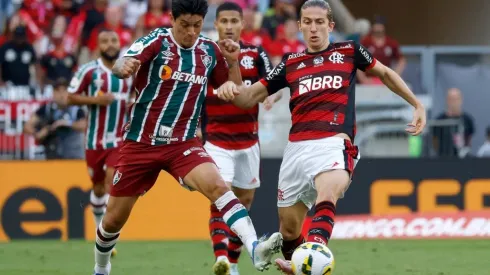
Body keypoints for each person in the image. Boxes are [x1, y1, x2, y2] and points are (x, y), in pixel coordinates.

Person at [215, 0, 427, 274]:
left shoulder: (349, 51)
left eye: (319, 22)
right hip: (295, 150)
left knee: (328, 192)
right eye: (308, 22)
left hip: (332, 142)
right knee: (289, 230)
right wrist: (233, 65)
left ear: (330, 25)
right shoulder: (291, 63)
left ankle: (315, 252)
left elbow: (385, 73)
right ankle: (301, 264)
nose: (313, 28)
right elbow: (246, 100)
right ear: (300, 25)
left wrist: (416, 104)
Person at [91, 1, 283, 274]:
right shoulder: (156, 41)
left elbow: (234, 88)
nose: (191, 32)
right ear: (172, 19)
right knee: (113, 220)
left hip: (183, 143)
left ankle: (254, 247)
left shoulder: (208, 50)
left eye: (196, 25)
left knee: (218, 187)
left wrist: (232, 64)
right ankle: (101, 268)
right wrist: (123, 66)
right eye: (184, 26)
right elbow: (125, 61)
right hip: (141, 143)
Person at [199, 3, 280, 275]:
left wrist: (270, 96)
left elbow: (273, 84)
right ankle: (220, 256)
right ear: (217, 24)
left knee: (244, 203)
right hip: (217, 140)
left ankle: (232, 264)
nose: (230, 26)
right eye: (224, 21)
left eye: (235, 20)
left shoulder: (255, 54)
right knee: (220, 196)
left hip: (248, 142)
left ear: (243, 25)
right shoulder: (204, 54)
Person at [67, 29, 131, 258]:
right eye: (105, 41)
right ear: (98, 45)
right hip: (94, 141)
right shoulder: (89, 71)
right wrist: (96, 100)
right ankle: (99, 228)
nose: (111, 44)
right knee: (97, 188)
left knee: (111, 179)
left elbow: (137, 95)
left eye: (114, 40)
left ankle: (108, 234)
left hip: (119, 140)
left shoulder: (128, 70)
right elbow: (70, 96)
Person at [24, 78, 86, 159]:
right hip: (52, 156)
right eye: (58, 91)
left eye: (64, 91)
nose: (61, 95)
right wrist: (39, 133)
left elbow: (85, 126)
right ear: (53, 93)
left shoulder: (77, 109)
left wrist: (67, 123)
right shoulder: (46, 109)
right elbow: (27, 127)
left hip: (74, 157)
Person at [431, 88, 474, 158]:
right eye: (452, 99)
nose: (454, 102)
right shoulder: (440, 120)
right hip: (443, 158)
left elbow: (469, 139)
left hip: (462, 158)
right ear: (447, 100)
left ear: (461, 99)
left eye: (456, 99)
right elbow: (435, 141)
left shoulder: (467, 120)